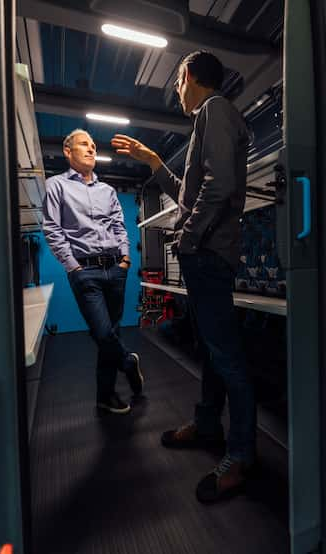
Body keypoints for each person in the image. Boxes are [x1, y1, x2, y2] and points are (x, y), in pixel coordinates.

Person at [112, 50, 253, 503]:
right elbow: (191, 194)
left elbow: (220, 187)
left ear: (189, 75)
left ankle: (243, 455)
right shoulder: (209, 119)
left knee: (227, 357)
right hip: (206, 254)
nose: (175, 89)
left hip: (208, 255)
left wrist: (188, 240)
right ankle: (209, 423)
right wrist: (156, 162)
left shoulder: (216, 111)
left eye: (177, 79)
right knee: (214, 351)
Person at [43, 129, 144, 415]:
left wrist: (125, 259)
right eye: (84, 145)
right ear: (67, 150)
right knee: (103, 332)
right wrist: (72, 267)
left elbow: (119, 227)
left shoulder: (107, 191)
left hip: (116, 268)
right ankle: (127, 362)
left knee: (109, 333)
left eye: (93, 146)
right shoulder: (56, 186)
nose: (91, 149)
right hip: (85, 272)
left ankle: (105, 395)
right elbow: (52, 229)